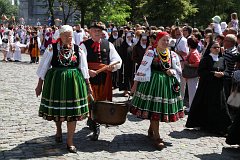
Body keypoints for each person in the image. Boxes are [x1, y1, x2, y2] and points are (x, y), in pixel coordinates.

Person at [35, 25, 91, 153]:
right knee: (58, 110)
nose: (68, 38)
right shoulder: (52, 48)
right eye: (65, 35)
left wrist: (88, 85)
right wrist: (39, 85)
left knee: (72, 113)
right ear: (59, 36)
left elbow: (84, 68)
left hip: (74, 83)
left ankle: (70, 141)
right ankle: (59, 130)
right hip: (56, 82)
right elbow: (43, 67)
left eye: (70, 35)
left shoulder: (78, 49)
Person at [130, 32, 184, 150]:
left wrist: (172, 72)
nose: (165, 42)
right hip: (152, 83)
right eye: (163, 40)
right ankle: (157, 137)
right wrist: (135, 85)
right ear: (157, 41)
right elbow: (142, 68)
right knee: (154, 108)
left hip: (166, 85)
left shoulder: (172, 54)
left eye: (167, 40)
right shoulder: (151, 53)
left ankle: (152, 129)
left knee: (159, 109)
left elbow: (178, 69)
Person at [80, 22, 122, 141]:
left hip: (104, 79)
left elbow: (117, 59)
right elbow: (80, 62)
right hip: (89, 79)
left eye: (99, 31)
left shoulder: (108, 44)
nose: (97, 33)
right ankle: (94, 125)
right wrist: (88, 71)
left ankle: (95, 121)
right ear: (90, 32)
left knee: (100, 102)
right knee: (91, 102)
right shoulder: (84, 46)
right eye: (95, 31)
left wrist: (112, 67)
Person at [185, 41, 232, 135]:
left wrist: (222, 74)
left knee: (219, 107)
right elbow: (201, 72)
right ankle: (205, 124)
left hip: (218, 87)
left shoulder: (222, 59)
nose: (217, 49)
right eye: (215, 47)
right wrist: (213, 74)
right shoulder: (206, 59)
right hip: (207, 87)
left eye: (218, 47)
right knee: (206, 105)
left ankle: (218, 127)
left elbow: (227, 71)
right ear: (210, 49)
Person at [184, 38, 201, 111]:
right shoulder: (194, 51)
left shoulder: (193, 53)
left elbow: (198, 63)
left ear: (189, 44)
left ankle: (192, 108)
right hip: (193, 75)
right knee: (192, 91)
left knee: (192, 92)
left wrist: (189, 65)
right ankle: (192, 107)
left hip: (192, 75)